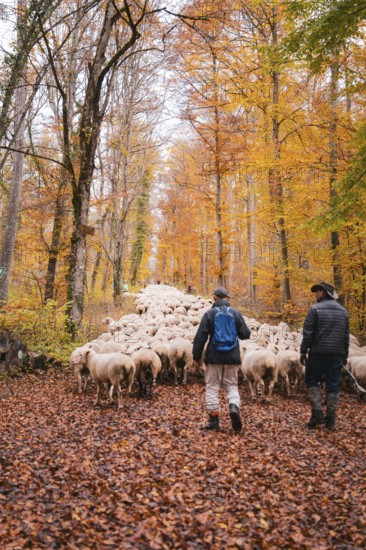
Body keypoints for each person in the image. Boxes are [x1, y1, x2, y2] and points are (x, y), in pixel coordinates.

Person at [193, 287, 251, 432]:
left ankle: (214, 421)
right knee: (231, 385)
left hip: (214, 357)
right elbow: (245, 334)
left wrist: (196, 357)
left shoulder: (209, 314)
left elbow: (201, 337)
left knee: (212, 387)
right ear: (227, 298)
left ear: (214, 298)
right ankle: (233, 407)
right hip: (232, 356)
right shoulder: (236, 313)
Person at [300, 282, 349, 431]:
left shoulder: (314, 309)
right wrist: (344, 355)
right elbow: (345, 336)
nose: (316, 294)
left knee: (312, 381)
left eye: (317, 291)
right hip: (336, 354)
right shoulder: (343, 311)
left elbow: (308, 333)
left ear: (323, 292)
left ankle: (319, 412)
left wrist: (303, 351)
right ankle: (330, 421)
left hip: (318, 353)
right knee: (333, 385)